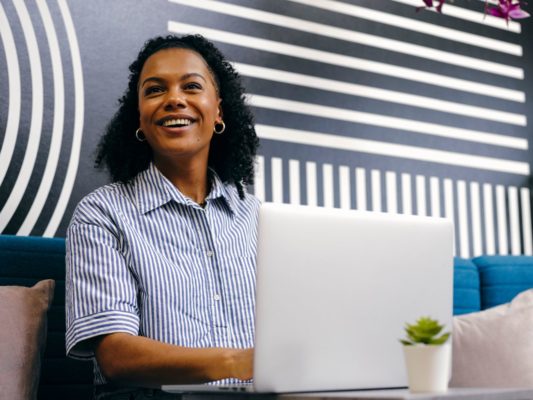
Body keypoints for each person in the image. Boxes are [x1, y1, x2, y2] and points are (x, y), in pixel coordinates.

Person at [65, 34, 260, 399]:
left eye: (191, 86)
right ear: (139, 117)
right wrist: (240, 363)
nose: (174, 99)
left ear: (218, 111)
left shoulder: (258, 218)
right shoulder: (102, 214)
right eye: (155, 90)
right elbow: (117, 357)